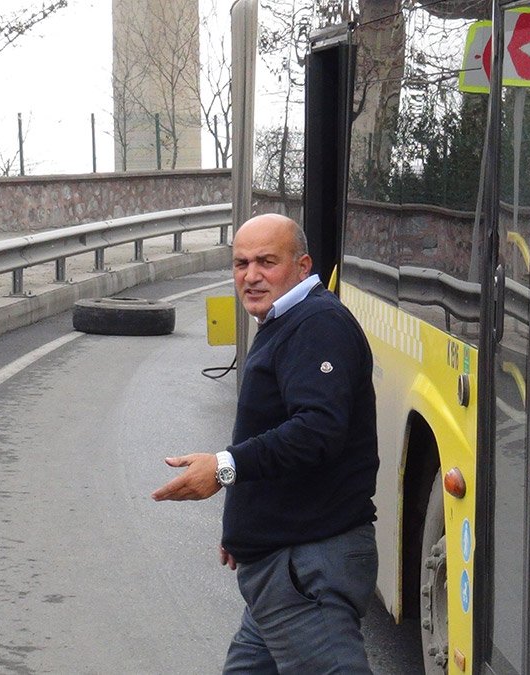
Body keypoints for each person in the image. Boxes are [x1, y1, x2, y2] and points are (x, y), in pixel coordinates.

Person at [152, 213, 380, 674]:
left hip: (303, 569)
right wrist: (246, 525)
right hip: (280, 563)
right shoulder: (285, 320)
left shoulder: (317, 325)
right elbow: (272, 431)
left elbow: (317, 431)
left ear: (302, 266)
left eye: (266, 262)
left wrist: (223, 468)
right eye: (241, 264)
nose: (251, 276)